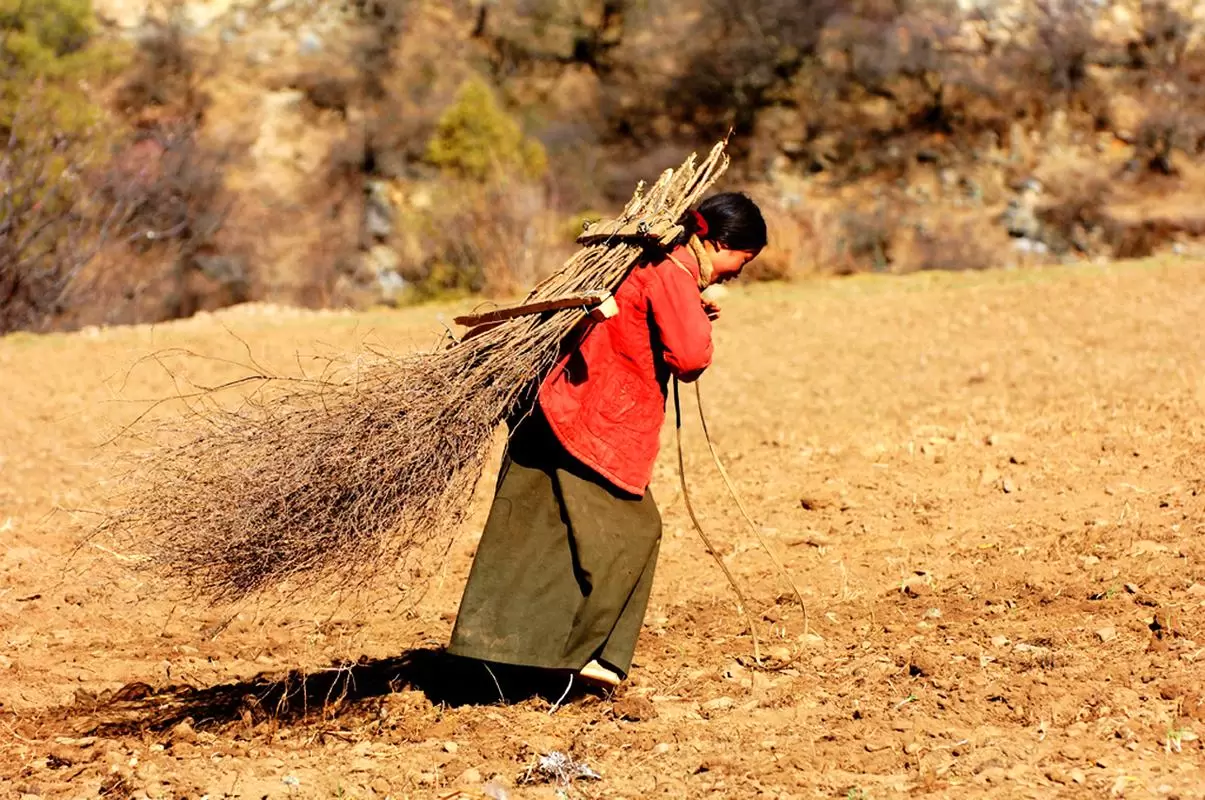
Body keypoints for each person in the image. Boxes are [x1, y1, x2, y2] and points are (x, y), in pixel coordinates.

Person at [447, 192, 768, 692]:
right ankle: (592, 656)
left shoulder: (639, 258)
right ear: (720, 241)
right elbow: (689, 359)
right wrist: (700, 317)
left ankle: (494, 654)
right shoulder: (673, 272)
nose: (735, 274)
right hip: (593, 421)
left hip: (546, 405)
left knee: (537, 529)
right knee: (638, 532)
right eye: (739, 262)